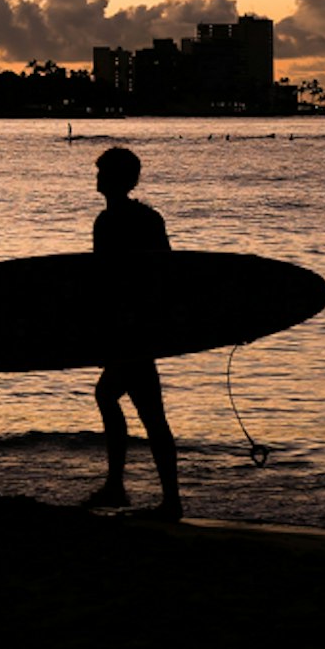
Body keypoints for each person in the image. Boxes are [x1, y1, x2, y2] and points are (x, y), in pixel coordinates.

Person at [84, 145, 181, 523]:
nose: (97, 178)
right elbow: (161, 272)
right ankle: (123, 487)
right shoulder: (137, 219)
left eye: (102, 173)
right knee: (117, 398)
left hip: (133, 328)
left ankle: (155, 497)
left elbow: (112, 279)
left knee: (147, 412)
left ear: (117, 180)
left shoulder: (115, 222)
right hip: (137, 327)